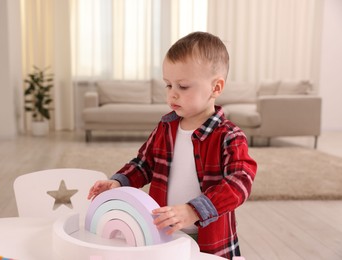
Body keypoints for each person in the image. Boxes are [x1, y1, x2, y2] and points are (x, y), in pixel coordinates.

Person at [87, 31, 257, 259]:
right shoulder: (166, 127)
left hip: (209, 241)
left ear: (216, 88)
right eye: (168, 85)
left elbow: (240, 182)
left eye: (183, 87)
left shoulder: (229, 136)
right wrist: (118, 182)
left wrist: (194, 210)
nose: (172, 95)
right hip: (162, 233)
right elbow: (143, 164)